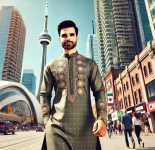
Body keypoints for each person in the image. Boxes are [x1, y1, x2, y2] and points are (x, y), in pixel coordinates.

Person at [40, 20, 107, 150]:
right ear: (59, 39)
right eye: (64, 35)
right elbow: (44, 95)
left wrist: (102, 119)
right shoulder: (50, 66)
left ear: (77, 37)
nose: (68, 38)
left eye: (71, 34)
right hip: (56, 130)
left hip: (86, 130)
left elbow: (100, 91)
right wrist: (47, 121)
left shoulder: (90, 64)